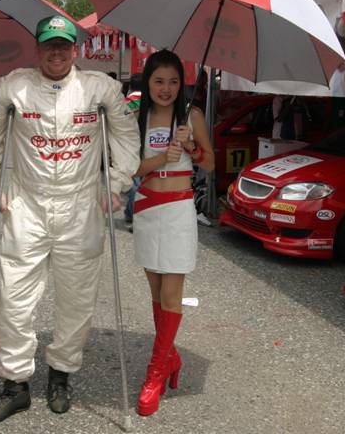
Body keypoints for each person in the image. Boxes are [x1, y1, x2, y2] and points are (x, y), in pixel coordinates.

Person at [0, 15, 140, 425]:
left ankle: (61, 375)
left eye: (63, 45)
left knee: (77, 299)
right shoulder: (13, 87)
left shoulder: (100, 88)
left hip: (81, 204)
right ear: (37, 48)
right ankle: (15, 384)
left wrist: (116, 183)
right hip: (26, 202)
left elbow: (125, 138)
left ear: (75, 50)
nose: (56, 52)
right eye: (49, 44)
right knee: (14, 297)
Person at [132, 49, 214, 416]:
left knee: (171, 293)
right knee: (155, 291)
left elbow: (210, 163)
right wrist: (158, 159)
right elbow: (130, 168)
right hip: (147, 207)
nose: (166, 88)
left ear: (182, 85)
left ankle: (155, 372)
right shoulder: (137, 118)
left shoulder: (191, 116)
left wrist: (191, 146)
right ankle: (171, 356)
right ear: (148, 82)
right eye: (159, 81)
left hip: (179, 209)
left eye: (173, 82)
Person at [124, 73, 142, 226]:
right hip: (146, 144)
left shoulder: (127, 101)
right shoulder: (151, 101)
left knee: (133, 182)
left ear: (130, 86)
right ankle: (131, 212)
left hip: (129, 145)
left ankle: (133, 213)